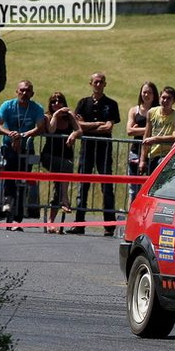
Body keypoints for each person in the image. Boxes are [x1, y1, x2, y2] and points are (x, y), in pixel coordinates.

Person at [67, 72, 121, 236]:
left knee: (107, 187)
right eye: (96, 82)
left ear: (105, 84)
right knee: (83, 186)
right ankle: (79, 224)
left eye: (101, 82)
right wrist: (97, 124)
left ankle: (109, 226)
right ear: (90, 83)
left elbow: (109, 127)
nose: (98, 84)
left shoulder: (111, 104)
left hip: (104, 150)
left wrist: (88, 126)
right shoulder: (83, 103)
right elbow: (78, 125)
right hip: (87, 149)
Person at [0, 79, 47, 230]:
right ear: (17, 91)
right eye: (22, 90)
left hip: (27, 147)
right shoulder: (7, 105)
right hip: (8, 146)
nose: (24, 93)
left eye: (27, 91)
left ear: (32, 93)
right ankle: (8, 204)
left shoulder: (36, 108)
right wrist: (11, 134)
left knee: (23, 181)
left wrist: (22, 135)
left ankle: (18, 218)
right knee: (10, 175)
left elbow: (40, 126)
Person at [40, 92, 81, 233]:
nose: (56, 103)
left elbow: (79, 129)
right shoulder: (48, 117)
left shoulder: (70, 117)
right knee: (66, 167)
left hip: (65, 156)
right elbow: (51, 130)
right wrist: (56, 115)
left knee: (58, 184)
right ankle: (65, 198)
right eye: (53, 102)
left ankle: (51, 223)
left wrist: (73, 134)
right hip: (50, 156)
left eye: (59, 101)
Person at [126, 82, 159, 202]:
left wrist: (137, 129)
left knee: (152, 188)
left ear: (154, 95)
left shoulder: (159, 111)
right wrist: (149, 130)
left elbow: (159, 133)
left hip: (154, 152)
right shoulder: (134, 110)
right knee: (133, 188)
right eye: (144, 92)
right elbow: (129, 131)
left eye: (150, 92)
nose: (146, 95)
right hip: (135, 151)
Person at [139, 86, 175, 175]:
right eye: (163, 97)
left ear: (174, 101)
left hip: (166, 157)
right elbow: (146, 135)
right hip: (152, 155)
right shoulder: (151, 112)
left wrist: (156, 139)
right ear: (159, 98)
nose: (165, 101)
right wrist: (142, 160)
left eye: (169, 98)